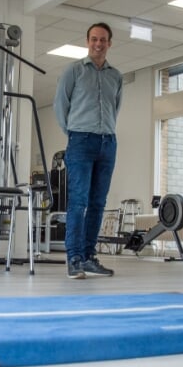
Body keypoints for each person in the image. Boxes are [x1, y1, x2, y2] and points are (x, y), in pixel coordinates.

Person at [54, 22, 123, 279]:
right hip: (80, 141)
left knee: (97, 203)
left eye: (103, 40)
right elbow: (61, 105)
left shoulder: (116, 76)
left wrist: (104, 131)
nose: (98, 44)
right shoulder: (73, 71)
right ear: (87, 41)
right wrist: (73, 132)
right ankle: (74, 258)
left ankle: (89, 256)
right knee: (79, 201)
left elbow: (115, 108)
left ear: (109, 43)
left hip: (107, 142)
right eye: (94, 39)